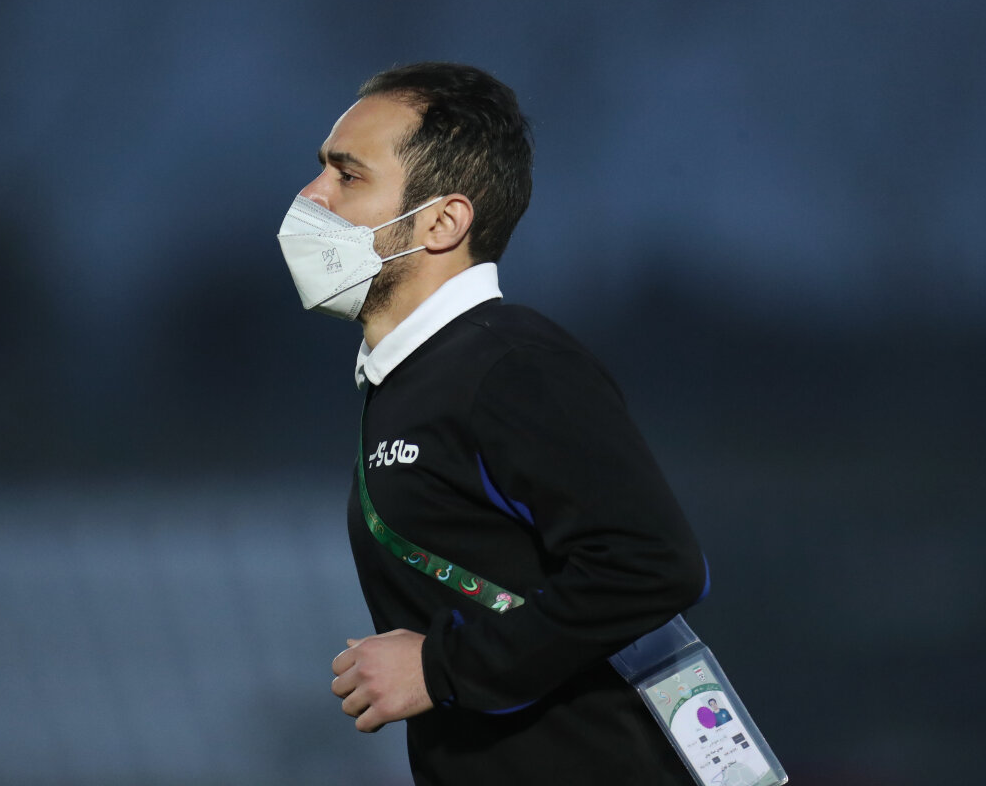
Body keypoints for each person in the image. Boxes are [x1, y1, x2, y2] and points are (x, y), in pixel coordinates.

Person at [277, 62, 707, 785]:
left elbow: (653, 564)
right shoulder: (415, 377)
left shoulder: (514, 366)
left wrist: (439, 668)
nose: (311, 196)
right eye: (321, 169)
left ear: (443, 222)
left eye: (347, 176)